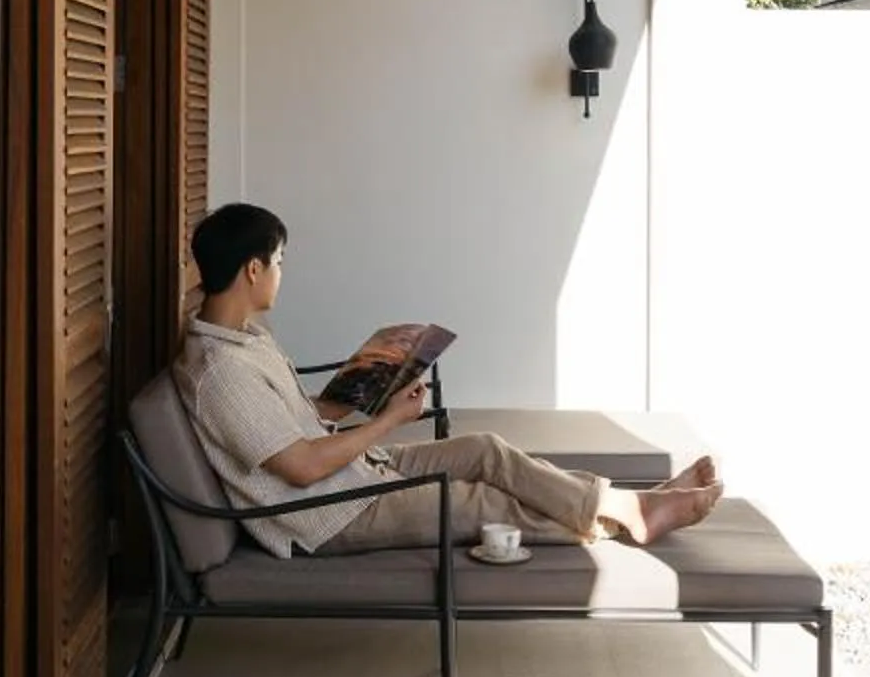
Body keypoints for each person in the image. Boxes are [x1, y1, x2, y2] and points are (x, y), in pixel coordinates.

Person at [173, 202, 723, 558]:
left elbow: (296, 423)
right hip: (330, 514)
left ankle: (628, 504)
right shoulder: (220, 373)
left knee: (488, 450)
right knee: (484, 501)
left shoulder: (246, 339)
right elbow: (300, 468)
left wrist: (366, 384)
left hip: (354, 475)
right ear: (252, 269)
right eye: (279, 262)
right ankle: (631, 515)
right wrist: (389, 421)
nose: (280, 274)